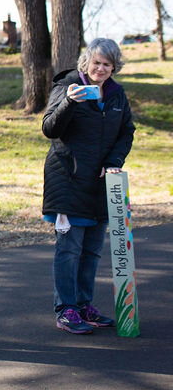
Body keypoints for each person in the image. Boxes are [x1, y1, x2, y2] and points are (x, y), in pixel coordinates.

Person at [42, 38, 134, 334]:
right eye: (97, 63)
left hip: (101, 184)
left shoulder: (117, 95)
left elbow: (126, 131)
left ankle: (83, 305)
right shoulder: (67, 86)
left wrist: (114, 159)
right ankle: (66, 309)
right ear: (86, 62)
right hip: (68, 181)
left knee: (92, 250)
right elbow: (49, 128)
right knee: (69, 249)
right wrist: (70, 101)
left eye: (107, 64)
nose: (102, 69)